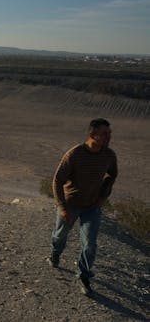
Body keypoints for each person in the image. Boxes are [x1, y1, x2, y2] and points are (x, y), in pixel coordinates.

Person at [49, 118, 118, 296]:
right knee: (60, 235)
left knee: (90, 244)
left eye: (109, 134)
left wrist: (103, 196)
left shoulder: (109, 155)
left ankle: (83, 275)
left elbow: (112, 174)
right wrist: (62, 207)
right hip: (70, 204)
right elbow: (57, 180)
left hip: (92, 207)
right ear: (92, 135)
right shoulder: (74, 154)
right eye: (104, 134)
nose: (108, 137)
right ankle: (55, 254)